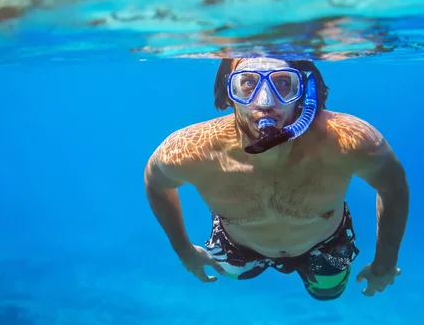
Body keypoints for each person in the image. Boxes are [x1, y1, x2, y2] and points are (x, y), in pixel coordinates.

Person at [144, 57, 409, 301]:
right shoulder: (193, 148)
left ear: (304, 90)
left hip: (326, 245)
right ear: (228, 93)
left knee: (328, 292)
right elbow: (155, 183)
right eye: (247, 83)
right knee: (234, 274)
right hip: (236, 245)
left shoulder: (348, 141)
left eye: (283, 83)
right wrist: (184, 251)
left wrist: (385, 262)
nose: (265, 102)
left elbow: (393, 187)